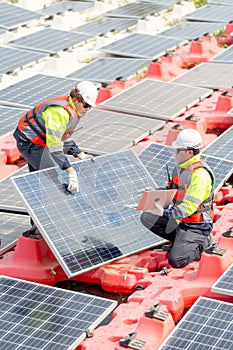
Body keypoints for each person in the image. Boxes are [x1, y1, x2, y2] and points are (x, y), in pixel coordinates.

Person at [13, 80, 98, 237]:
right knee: (51, 181)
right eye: (86, 105)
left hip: (41, 142)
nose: (87, 109)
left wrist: (79, 153)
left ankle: (41, 225)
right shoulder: (59, 112)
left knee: (44, 181)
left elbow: (64, 136)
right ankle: (40, 228)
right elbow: (54, 145)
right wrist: (69, 169)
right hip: (30, 143)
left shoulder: (73, 111)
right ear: (76, 98)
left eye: (90, 106)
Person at [140, 128, 215, 268]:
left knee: (176, 260)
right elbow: (172, 191)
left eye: (178, 150)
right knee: (147, 217)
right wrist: (152, 193)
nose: (175, 154)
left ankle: (203, 242)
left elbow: (187, 209)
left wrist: (162, 212)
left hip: (197, 226)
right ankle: (181, 242)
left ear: (189, 152)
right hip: (180, 221)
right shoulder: (180, 168)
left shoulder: (200, 176)